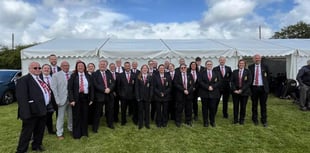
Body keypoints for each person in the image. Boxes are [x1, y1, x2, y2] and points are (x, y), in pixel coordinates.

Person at [16, 62, 50, 153]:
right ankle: (21, 150)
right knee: (27, 133)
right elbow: (22, 98)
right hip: (31, 111)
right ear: (29, 69)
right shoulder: (24, 80)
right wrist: (26, 114)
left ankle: (37, 145)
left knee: (40, 130)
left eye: (39, 68)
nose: (38, 69)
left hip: (42, 109)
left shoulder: (40, 79)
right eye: (35, 68)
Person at [68, 61, 94, 139]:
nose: (80, 67)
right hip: (76, 98)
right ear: (76, 67)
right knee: (76, 116)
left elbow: (91, 88)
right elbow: (70, 89)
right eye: (78, 66)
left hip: (86, 98)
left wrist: (91, 98)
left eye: (82, 66)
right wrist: (71, 99)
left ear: (84, 67)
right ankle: (76, 134)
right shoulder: (73, 76)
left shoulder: (88, 76)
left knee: (85, 116)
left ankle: (84, 133)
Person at [51, 61, 73, 140]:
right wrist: (57, 100)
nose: (66, 67)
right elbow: (54, 89)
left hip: (71, 100)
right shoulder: (55, 75)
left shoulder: (71, 74)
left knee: (71, 116)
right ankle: (59, 133)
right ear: (61, 66)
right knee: (61, 117)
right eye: (64, 65)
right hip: (61, 100)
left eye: (67, 65)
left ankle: (71, 129)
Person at [92, 60, 115, 132]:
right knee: (97, 112)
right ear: (99, 65)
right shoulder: (95, 74)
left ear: (106, 66)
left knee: (110, 111)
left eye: (104, 65)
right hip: (100, 96)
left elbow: (113, 82)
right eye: (101, 64)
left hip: (109, 95)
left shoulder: (108, 73)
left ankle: (110, 124)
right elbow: (95, 84)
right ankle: (95, 127)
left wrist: (110, 89)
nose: (103, 66)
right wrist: (104, 90)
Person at [248, 54, 270, 127]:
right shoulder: (250, 67)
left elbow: (268, 77)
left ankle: (264, 120)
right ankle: (255, 119)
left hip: (263, 88)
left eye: (258, 58)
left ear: (260, 59)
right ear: (253, 59)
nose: (257, 60)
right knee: (254, 104)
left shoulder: (265, 66)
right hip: (254, 88)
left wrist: (267, 86)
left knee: (263, 105)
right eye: (256, 58)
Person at [198, 60, 221, 127]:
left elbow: (219, 82)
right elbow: (200, 82)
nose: (209, 65)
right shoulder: (202, 73)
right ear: (205, 65)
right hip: (204, 93)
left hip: (214, 93)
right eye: (208, 64)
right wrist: (207, 87)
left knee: (213, 108)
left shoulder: (216, 72)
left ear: (212, 65)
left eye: (210, 64)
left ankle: (212, 121)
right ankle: (205, 122)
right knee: (204, 108)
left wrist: (213, 87)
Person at [230, 59, 252, 125]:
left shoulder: (248, 71)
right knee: (235, 106)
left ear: (245, 64)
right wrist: (234, 90)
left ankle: (242, 119)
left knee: (243, 106)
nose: (241, 64)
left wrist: (241, 89)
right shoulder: (234, 71)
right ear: (238, 64)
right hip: (235, 92)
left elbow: (249, 82)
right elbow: (232, 81)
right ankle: (235, 119)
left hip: (244, 91)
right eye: (240, 63)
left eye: (242, 63)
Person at [40, 64, 56, 134]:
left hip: (51, 100)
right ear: (42, 69)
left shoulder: (53, 77)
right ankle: (41, 129)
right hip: (42, 100)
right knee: (41, 116)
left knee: (50, 115)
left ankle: (50, 130)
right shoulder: (39, 78)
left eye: (48, 68)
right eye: (45, 68)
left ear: (50, 70)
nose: (46, 70)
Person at [135, 64, 153, 129]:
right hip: (140, 98)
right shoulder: (138, 77)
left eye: (146, 68)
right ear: (141, 69)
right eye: (143, 68)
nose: (144, 69)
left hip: (147, 98)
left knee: (147, 111)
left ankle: (147, 124)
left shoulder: (150, 77)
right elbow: (136, 88)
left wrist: (150, 97)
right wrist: (137, 97)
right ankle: (140, 124)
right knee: (140, 111)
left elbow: (151, 88)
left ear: (147, 70)